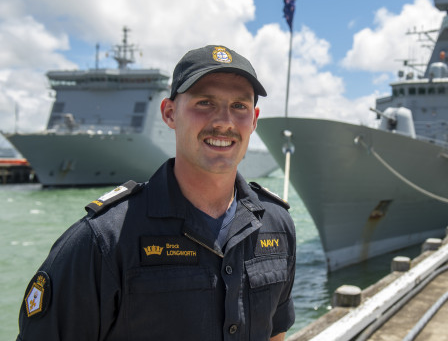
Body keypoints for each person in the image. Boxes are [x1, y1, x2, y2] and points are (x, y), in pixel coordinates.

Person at [17, 45, 296, 341]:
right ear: (169, 113)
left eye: (239, 106)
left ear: (253, 120)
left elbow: (275, 333)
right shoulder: (102, 240)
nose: (224, 121)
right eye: (205, 103)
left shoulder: (277, 226)